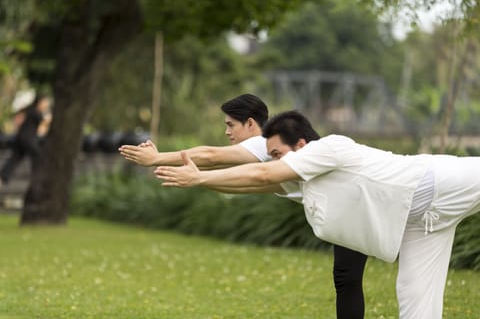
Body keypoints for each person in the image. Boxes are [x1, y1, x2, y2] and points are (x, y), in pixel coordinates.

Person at [155, 110, 480, 319]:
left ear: (300, 144)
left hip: (439, 182)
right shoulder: (303, 179)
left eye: (278, 154)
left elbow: (262, 176)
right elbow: (254, 184)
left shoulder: (327, 148)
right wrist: (200, 182)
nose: (275, 162)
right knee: (415, 302)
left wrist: (199, 177)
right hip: (421, 224)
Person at [120, 97, 368, 319]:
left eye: (230, 125)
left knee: (348, 278)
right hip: (349, 206)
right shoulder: (271, 155)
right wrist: (198, 180)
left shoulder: (263, 144)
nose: (227, 131)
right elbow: (245, 185)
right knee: (347, 279)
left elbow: (210, 156)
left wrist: (157, 158)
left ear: (250, 124)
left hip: (357, 202)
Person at [0, 94, 51, 186]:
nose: (46, 105)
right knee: (38, 157)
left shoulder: (30, 110)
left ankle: (3, 177)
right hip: (27, 139)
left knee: (15, 158)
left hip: (20, 138)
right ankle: (37, 179)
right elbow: (45, 123)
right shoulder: (36, 112)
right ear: (40, 102)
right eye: (45, 102)